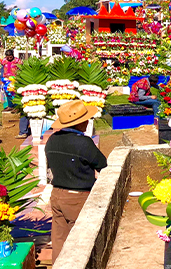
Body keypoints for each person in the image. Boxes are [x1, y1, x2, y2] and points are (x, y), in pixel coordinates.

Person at [46, 100, 107, 263]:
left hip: (57, 195)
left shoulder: (52, 140)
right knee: (81, 241)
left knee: (59, 239)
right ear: (79, 123)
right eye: (85, 119)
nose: (87, 122)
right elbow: (103, 165)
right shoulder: (83, 143)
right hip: (77, 198)